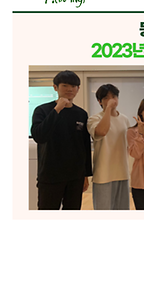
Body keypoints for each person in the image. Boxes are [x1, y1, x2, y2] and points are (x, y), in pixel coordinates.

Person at [31, 70, 92, 210]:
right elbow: (39, 136)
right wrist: (57, 109)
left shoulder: (81, 114)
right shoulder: (42, 110)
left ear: (78, 89)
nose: (70, 89)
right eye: (65, 85)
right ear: (55, 87)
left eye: (73, 86)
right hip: (50, 175)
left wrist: (85, 175)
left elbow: (84, 145)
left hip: (75, 176)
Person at [87, 84, 131, 210]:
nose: (111, 100)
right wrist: (107, 110)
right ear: (99, 101)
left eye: (114, 96)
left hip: (122, 172)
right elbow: (102, 131)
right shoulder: (94, 118)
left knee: (122, 211)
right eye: (106, 98)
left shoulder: (124, 119)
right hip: (103, 174)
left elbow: (129, 144)